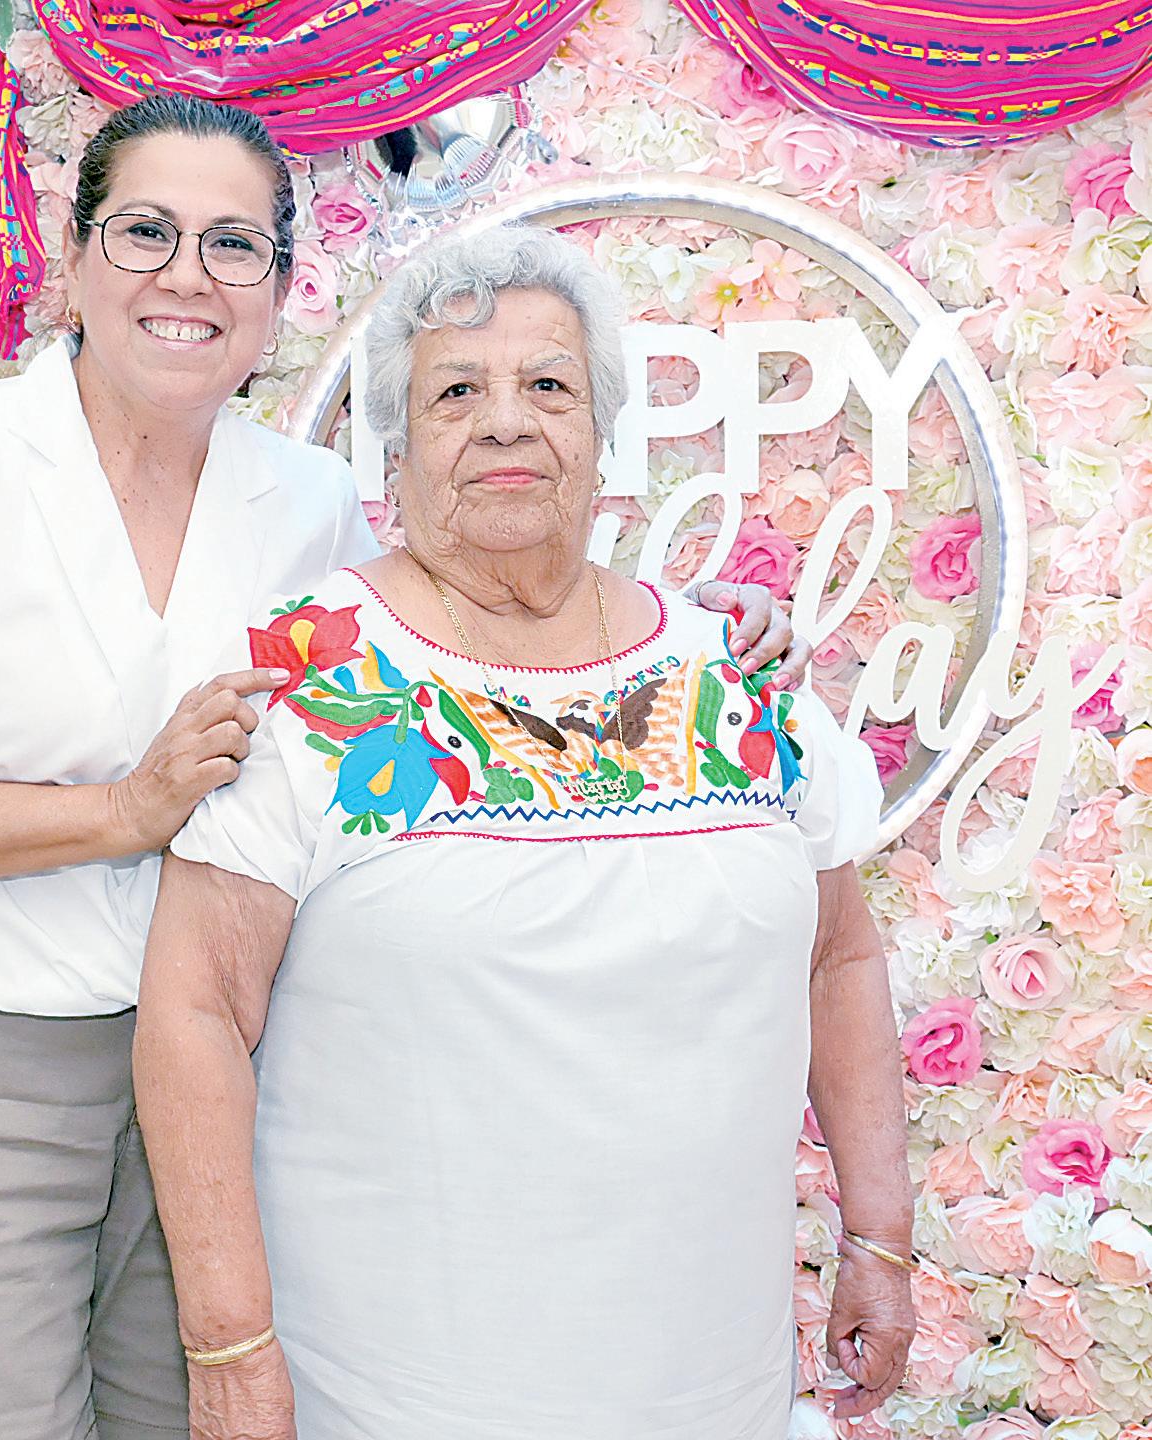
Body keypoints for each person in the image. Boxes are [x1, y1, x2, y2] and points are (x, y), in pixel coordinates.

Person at [0, 95, 805, 1440]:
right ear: (74, 258)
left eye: (232, 245)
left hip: (226, 1073)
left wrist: (691, 626)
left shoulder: (309, 501)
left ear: (277, 291)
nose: (186, 276)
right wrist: (121, 811)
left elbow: (473, 618)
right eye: (145, 232)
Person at [134, 224, 915, 1440]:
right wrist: (229, 1351)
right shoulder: (312, 677)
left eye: (548, 386)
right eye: (456, 392)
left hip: (712, 1377)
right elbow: (193, 1015)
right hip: (403, 1389)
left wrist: (881, 1238)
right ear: (395, 453)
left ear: (601, 438)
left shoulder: (735, 672)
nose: (506, 423)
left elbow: (838, 958)